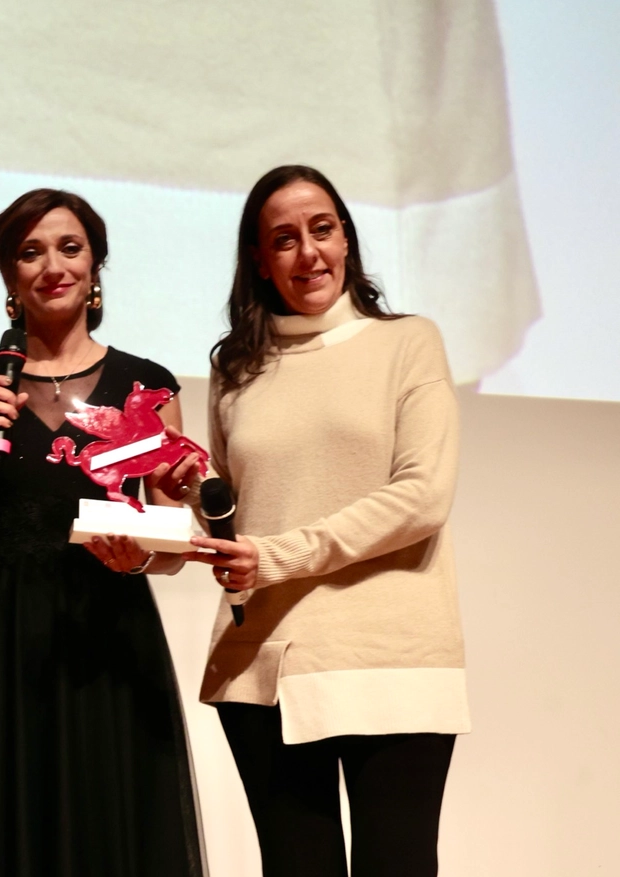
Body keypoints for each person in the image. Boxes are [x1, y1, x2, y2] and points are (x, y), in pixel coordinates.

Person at [181, 165, 469, 877]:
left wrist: (279, 555)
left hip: (391, 653)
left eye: (323, 229)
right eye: (284, 238)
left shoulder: (408, 343)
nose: (308, 253)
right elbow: (242, 514)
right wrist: (193, 492)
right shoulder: (236, 367)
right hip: (265, 664)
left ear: (347, 239)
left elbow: (422, 496)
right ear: (259, 258)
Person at [0, 188, 204, 876]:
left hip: (108, 629)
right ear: (10, 277)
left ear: (96, 264)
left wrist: (141, 555)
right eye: (30, 251)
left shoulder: (147, 384)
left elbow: (170, 545)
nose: (53, 264)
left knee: (110, 826)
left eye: (69, 247)